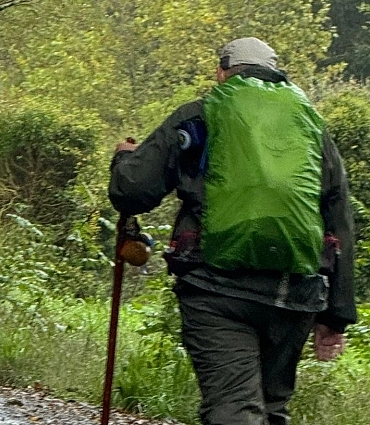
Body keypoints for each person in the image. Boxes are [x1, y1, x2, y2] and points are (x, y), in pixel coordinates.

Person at [108, 37, 356, 425]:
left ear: (222, 72)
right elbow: (339, 216)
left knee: (234, 409)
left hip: (216, 290)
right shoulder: (311, 126)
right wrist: (336, 316)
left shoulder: (200, 115)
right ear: (276, 74)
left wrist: (123, 158)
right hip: (296, 293)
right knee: (272, 410)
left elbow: (132, 191)